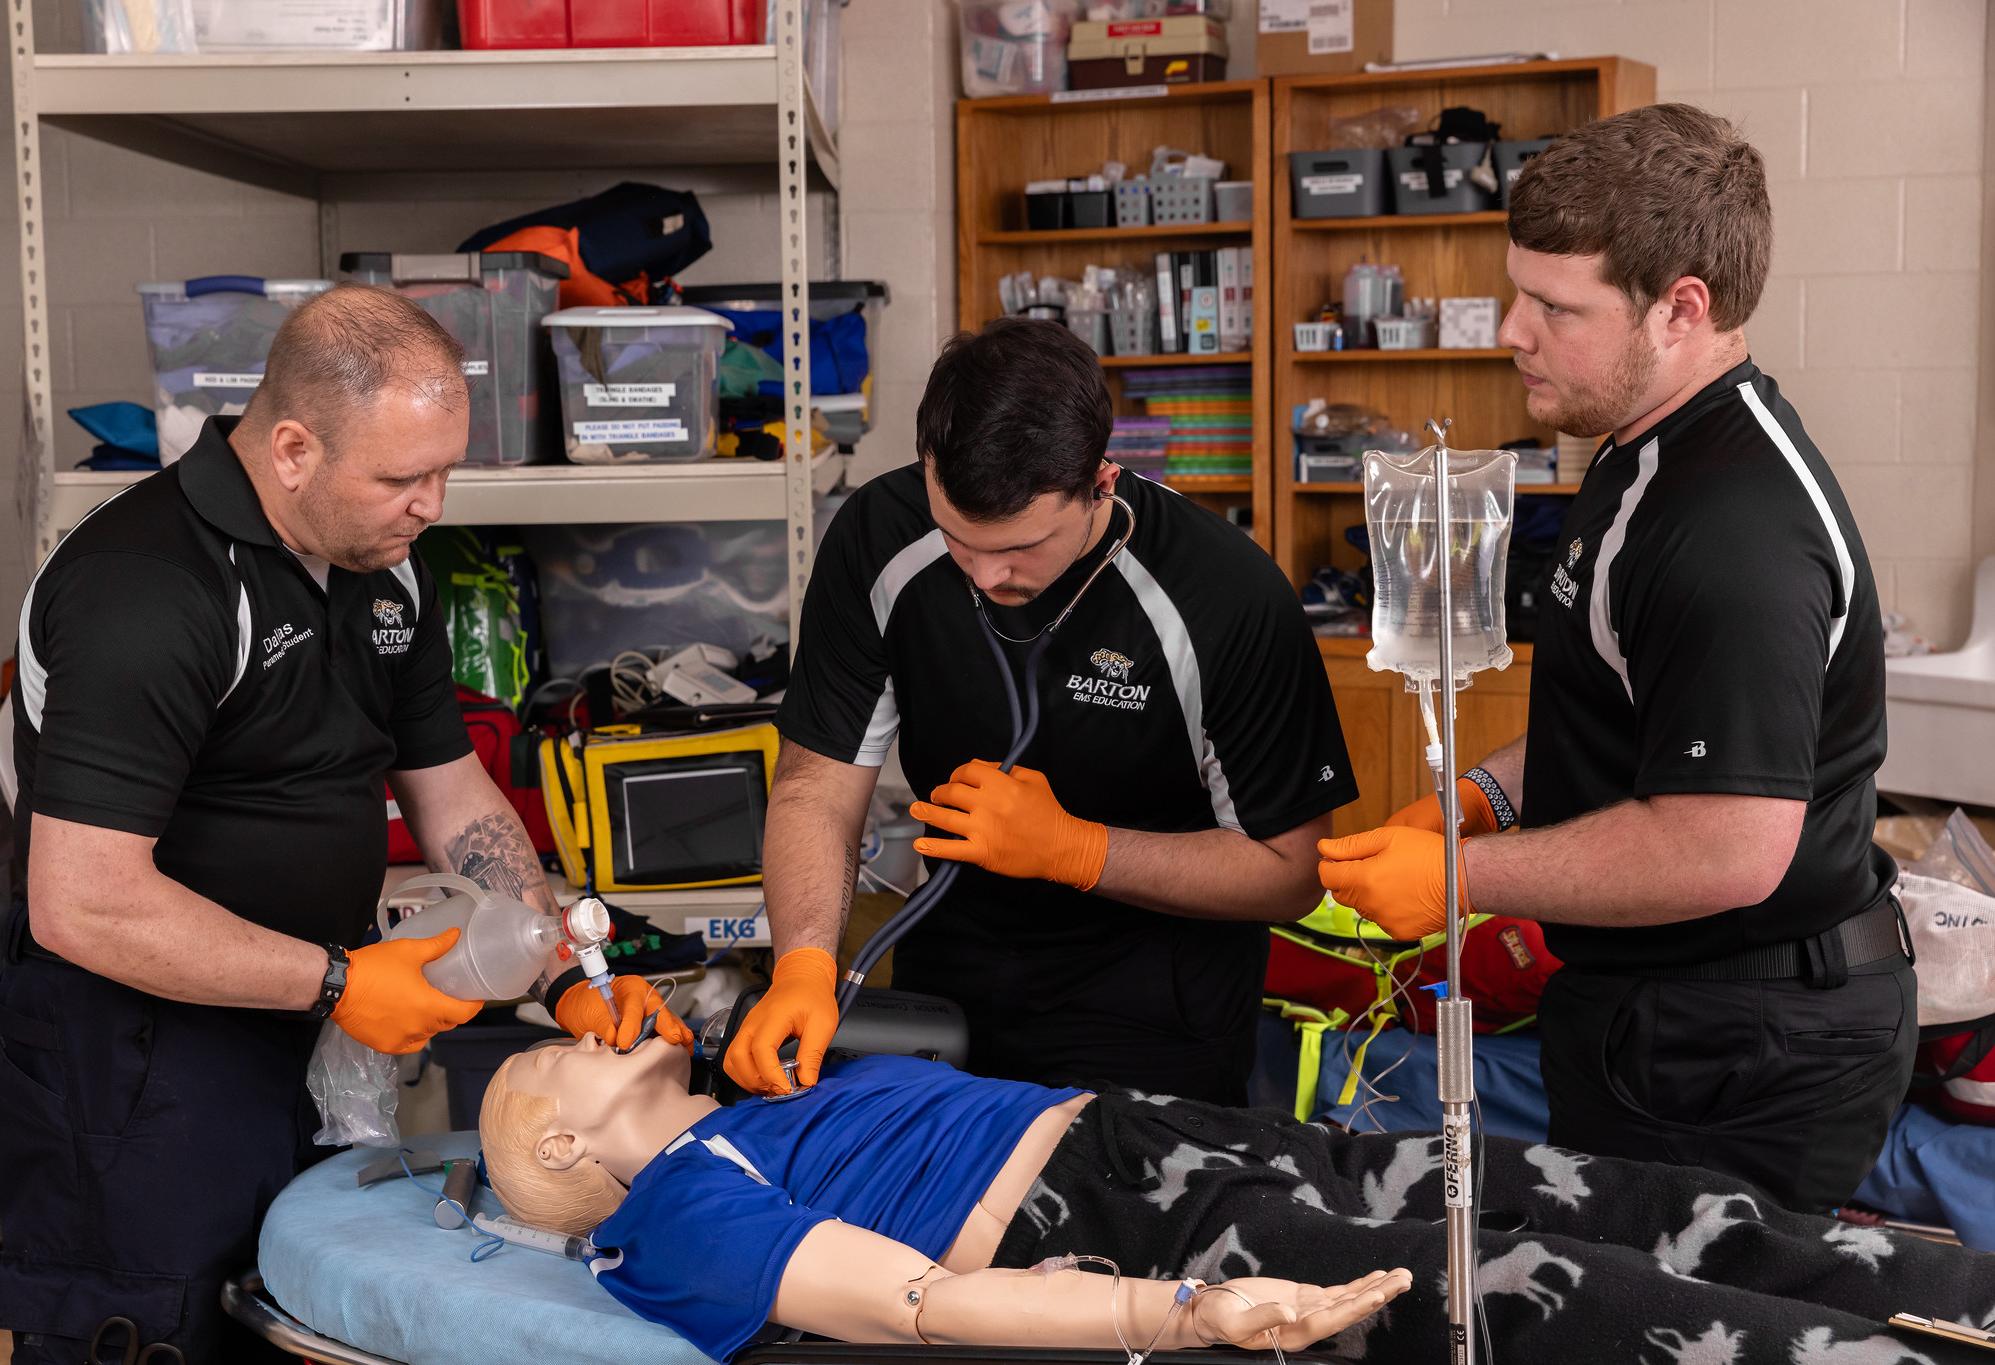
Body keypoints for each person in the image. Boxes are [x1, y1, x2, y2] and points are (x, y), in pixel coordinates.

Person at [0, 285, 687, 1363]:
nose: (432, 505)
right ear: (289, 449)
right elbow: (81, 904)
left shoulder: (384, 569)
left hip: (298, 1009)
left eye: (445, 472)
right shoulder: (147, 592)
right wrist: (339, 983)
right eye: (402, 478)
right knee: (170, 1326)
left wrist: (566, 972)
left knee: (296, 1307)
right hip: (130, 1050)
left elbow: (453, 790)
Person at [1317, 105, 1912, 1212]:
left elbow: (1723, 846)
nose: (1512, 329)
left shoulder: (1728, 529)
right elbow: (1632, 723)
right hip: (1659, 1012)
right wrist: (1481, 801)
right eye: (1516, 292)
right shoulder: (1637, 452)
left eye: (1554, 306)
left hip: (1744, 1047)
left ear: (1682, 309)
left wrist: (1457, 881)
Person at [481, 1034, 1995, 1364]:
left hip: (1177, 1137)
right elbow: (909, 1301)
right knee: (1560, 1284)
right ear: (558, 1153)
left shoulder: (750, 1109)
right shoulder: (675, 1201)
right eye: (561, 1055)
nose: (594, 1022)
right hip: (1140, 1224)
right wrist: (1188, 1310)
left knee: (1638, 1198)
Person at [729, 318, 1359, 1105]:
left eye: (1021, 547)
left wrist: (1076, 850)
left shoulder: (1225, 596)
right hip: (951, 984)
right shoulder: (879, 536)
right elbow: (815, 787)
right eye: (960, 539)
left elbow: (1291, 871)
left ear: (1100, 480)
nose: (988, 575)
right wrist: (803, 964)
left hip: (1152, 1013)